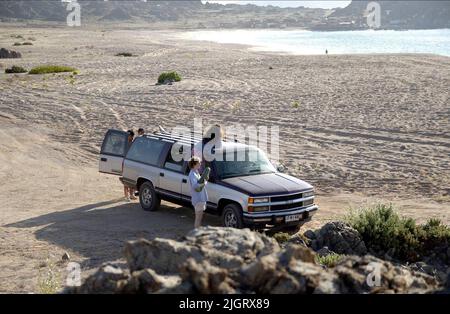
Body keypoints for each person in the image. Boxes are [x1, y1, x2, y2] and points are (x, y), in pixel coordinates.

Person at [188, 156, 208, 229]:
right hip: (198, 199)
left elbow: (199, 183)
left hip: (200, 198)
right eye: (199, 162)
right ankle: (196, 234)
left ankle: (197, 232)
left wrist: (204, 181)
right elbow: (195, 186)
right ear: (194, 164)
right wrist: (204, 183)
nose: (200, 164)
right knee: (198, 219)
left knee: (199, 218)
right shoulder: (192, 174)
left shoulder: (196, 173)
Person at [123, 130, 136, 201]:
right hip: (125, 163)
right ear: (129, 136)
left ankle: (131, 194)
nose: (132, 138)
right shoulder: (124, 143)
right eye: (132, 136)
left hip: (131, 163)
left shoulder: (133, 143)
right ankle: (126, 196)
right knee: (125, 180)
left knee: (131, 179)